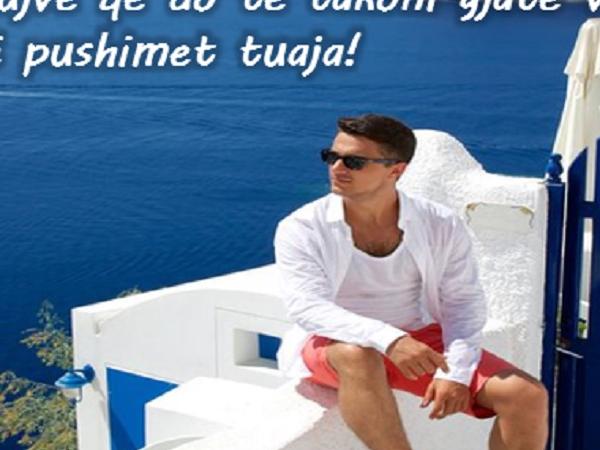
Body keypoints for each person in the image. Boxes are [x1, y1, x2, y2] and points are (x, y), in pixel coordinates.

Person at [273, 114, 549, 450]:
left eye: (354, 161)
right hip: (333, 343)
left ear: (396, 170)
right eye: (332, 157)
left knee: (526, 396)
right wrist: (389, 339)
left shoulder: (439, 223)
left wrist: (455, 372)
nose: (337, 168)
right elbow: (307, 307)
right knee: (358, 355)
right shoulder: (302, 228)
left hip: (417, 339)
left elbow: (462, 301)